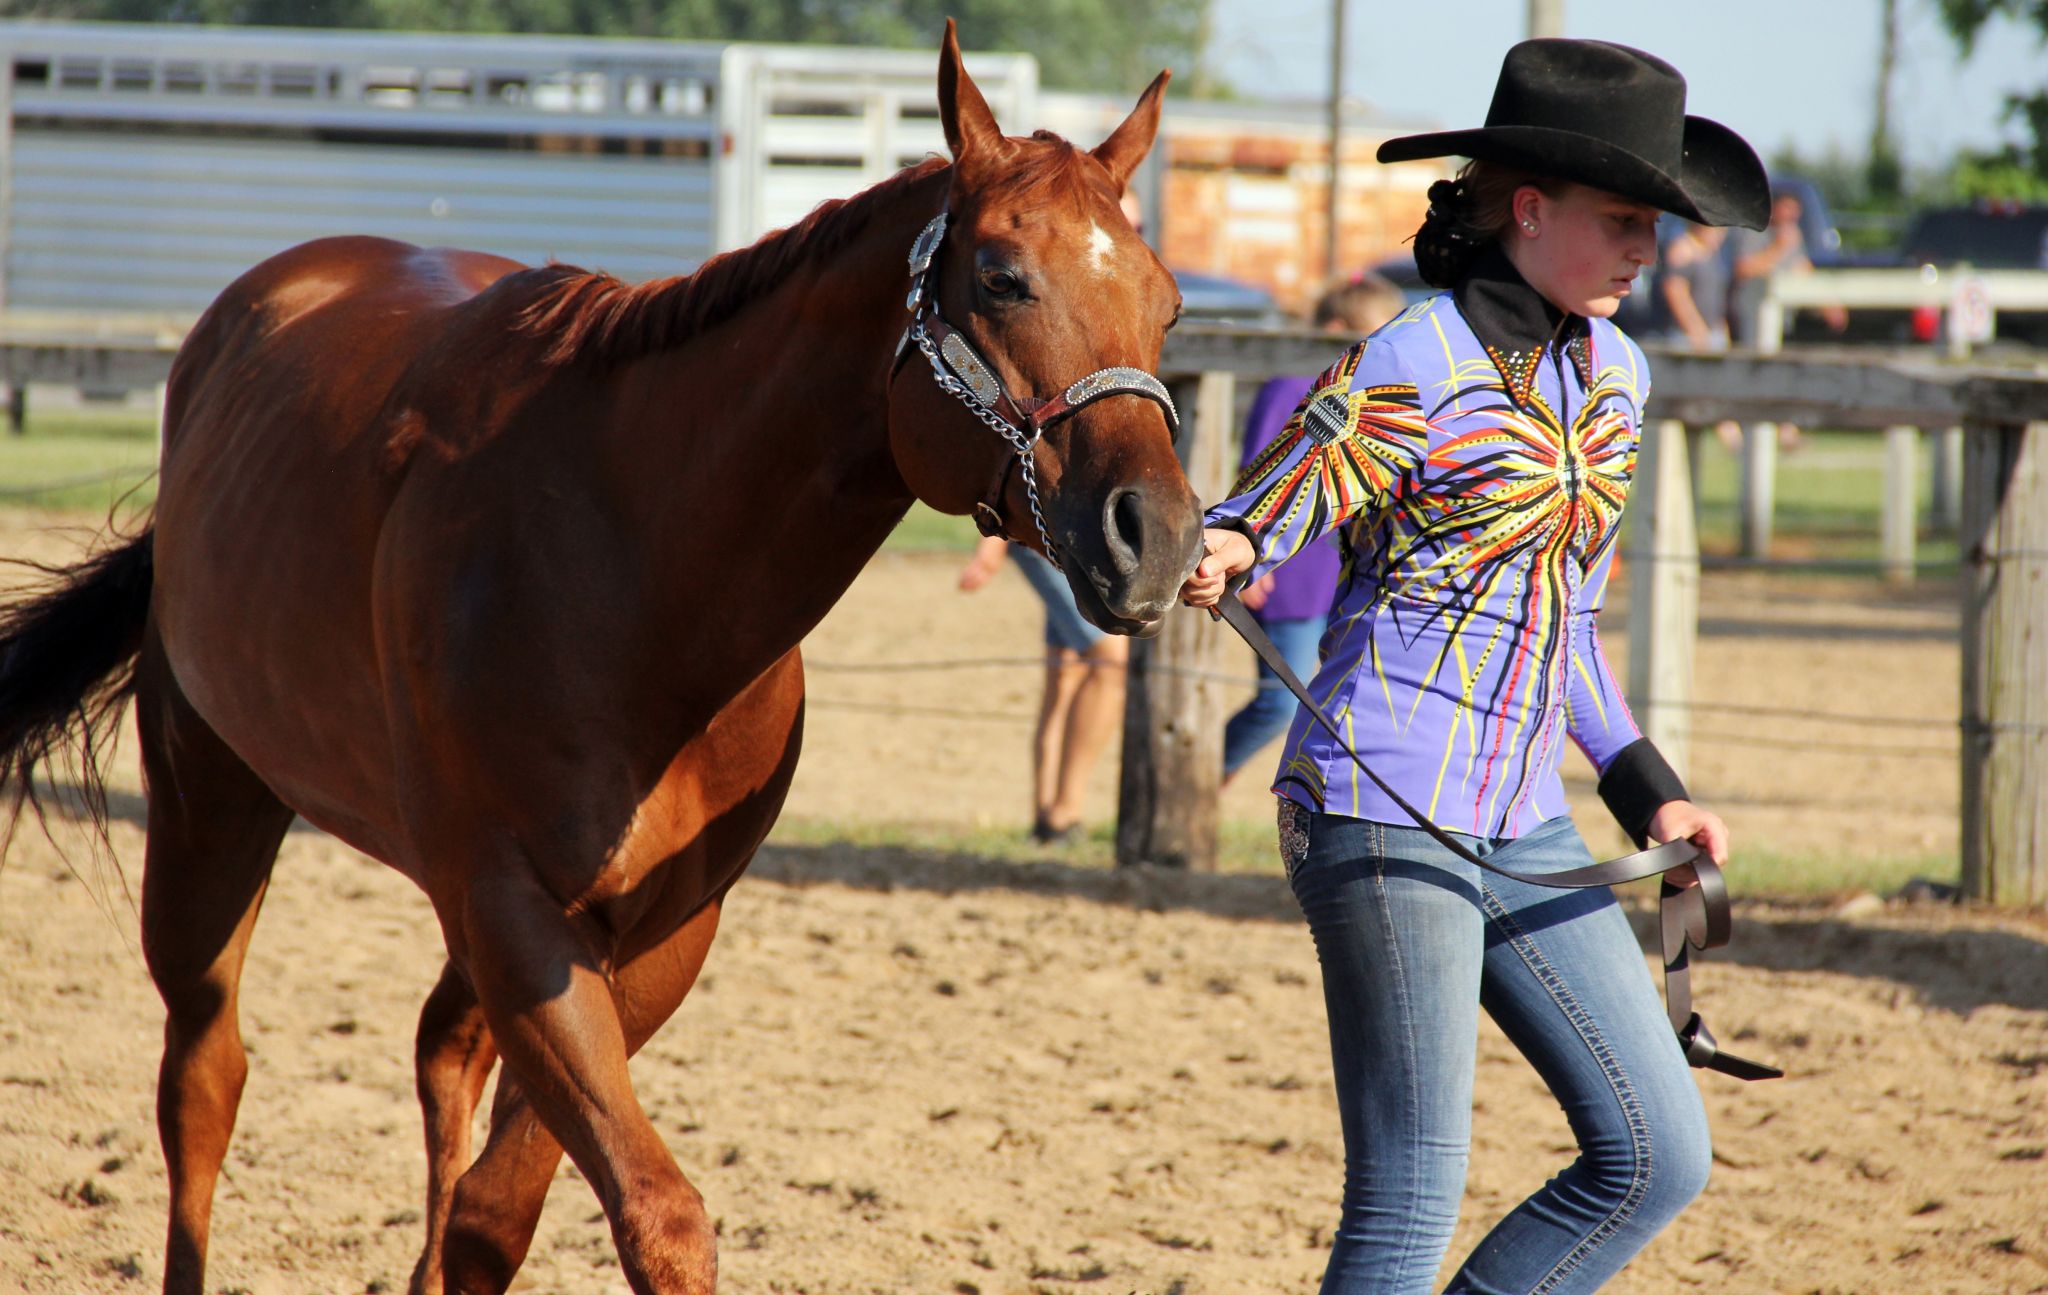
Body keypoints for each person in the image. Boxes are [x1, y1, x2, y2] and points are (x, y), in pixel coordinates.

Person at [1179, 38, 1762, 1294]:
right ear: (1530, 207)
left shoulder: (1618, 374)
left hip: (1524, 821)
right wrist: (1226, 544)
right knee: (1406, 1197)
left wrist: (1644, 784)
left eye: (1654, 224)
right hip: (1377, 804)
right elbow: (1286, 491)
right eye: (1622, 219)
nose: (1644, 249)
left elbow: (1569, 618)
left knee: (1656, 1153)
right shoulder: (1415, 356)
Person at [1223, 273, 1406, 784]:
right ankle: (1199, 775)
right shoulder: (1287, 389)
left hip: (1339, 574)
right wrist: (1254, 556)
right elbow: (1258, 472)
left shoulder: (1376, 398)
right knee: (1279, 703)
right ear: (1334, 329)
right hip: (1289, 573)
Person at [959, 537, 1126, 843]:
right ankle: (1064, 814)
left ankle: (1047, 816)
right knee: (1111, 665)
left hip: (1072, 534)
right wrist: (992, 543)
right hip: (1046, 531)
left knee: (1066, 671)